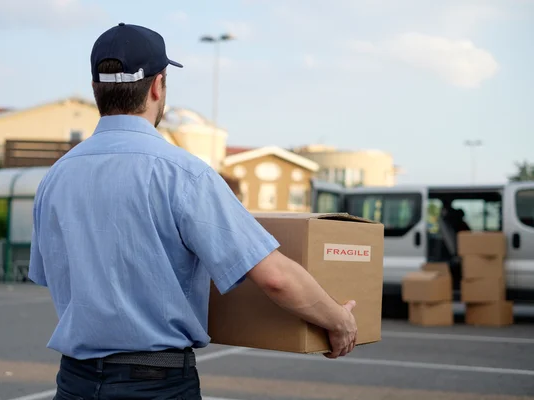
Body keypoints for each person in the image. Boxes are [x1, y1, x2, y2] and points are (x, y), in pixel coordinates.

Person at [28, 22, 357, 400]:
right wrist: (339, 320)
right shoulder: (183, 174)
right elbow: (275, 277)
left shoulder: (56, 177)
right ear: (157, 86)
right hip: (156, 385)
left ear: (95, 89)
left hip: (75, 383)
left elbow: (50, 274)